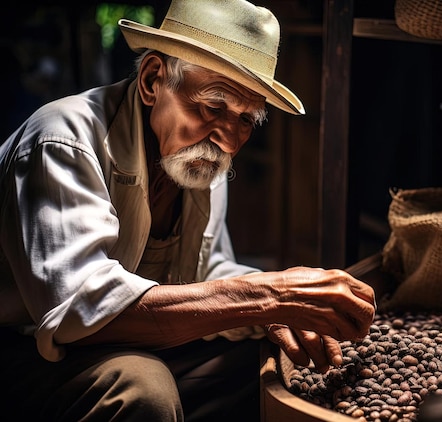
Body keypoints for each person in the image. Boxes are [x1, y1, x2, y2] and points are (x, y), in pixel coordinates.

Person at [0, 0, 377, 421]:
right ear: (152, 80)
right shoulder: (64, 141)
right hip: (25, 350)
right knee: (141, 387)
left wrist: (281, 310)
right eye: (213, 107)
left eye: (247, 120)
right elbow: (79, 311)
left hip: (118, 346)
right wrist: (268, 295)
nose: (230, 141)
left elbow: (205, 270)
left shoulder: (198, 161)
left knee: (270, 363)